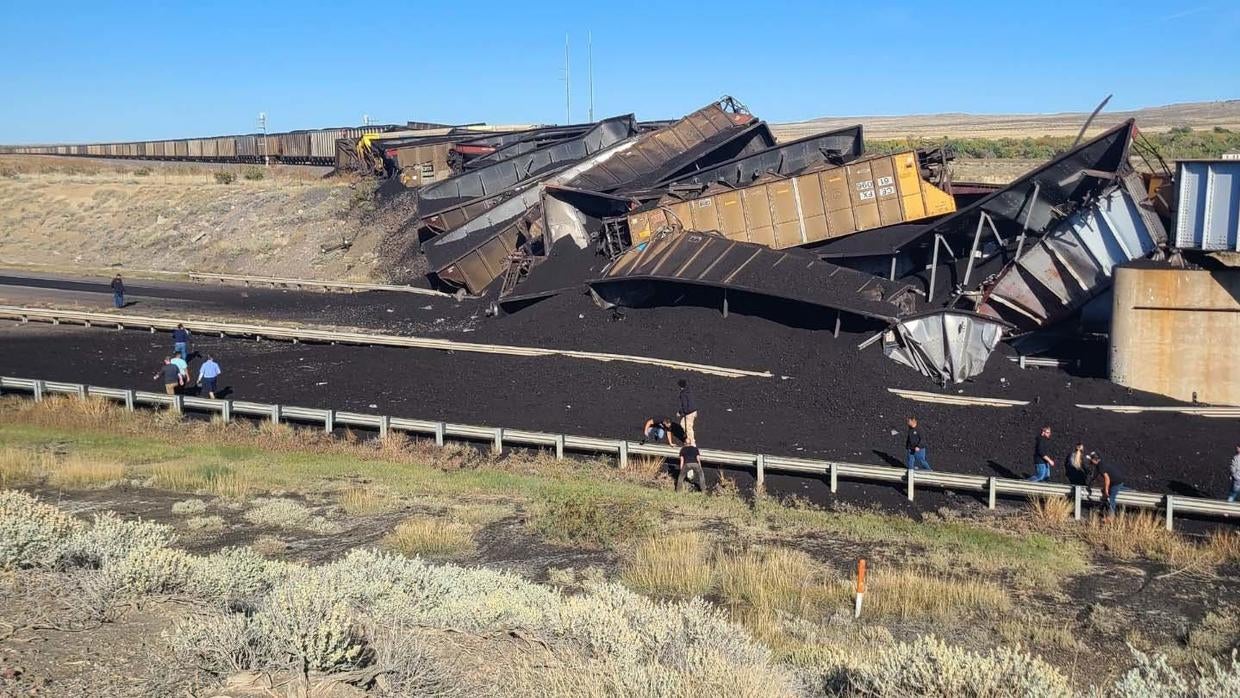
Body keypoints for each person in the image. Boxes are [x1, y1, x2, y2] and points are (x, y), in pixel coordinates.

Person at [1090, 452, 1125, 516]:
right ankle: (1102, 508)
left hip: (1116, 482)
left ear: (1095, 460)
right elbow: (1095, 475)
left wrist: (1106, 489)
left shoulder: (1101, 466)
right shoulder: (1099, 465)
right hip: (1115, 481)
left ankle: (1111, 516)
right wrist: (1091, 481)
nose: (1090, 461)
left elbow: (1107, 478)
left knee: (1111, 497)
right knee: (1104, 492)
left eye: (1091, 459)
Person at [676, 379, 699, 445]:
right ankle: (689, 439)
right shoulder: (689, 390)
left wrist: (680, 412)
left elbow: (684, 405)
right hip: (693, 410)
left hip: (689, 412)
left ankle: (692, 442)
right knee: (687, 425)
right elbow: (692, 401)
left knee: (686, 425)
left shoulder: (683, 394)